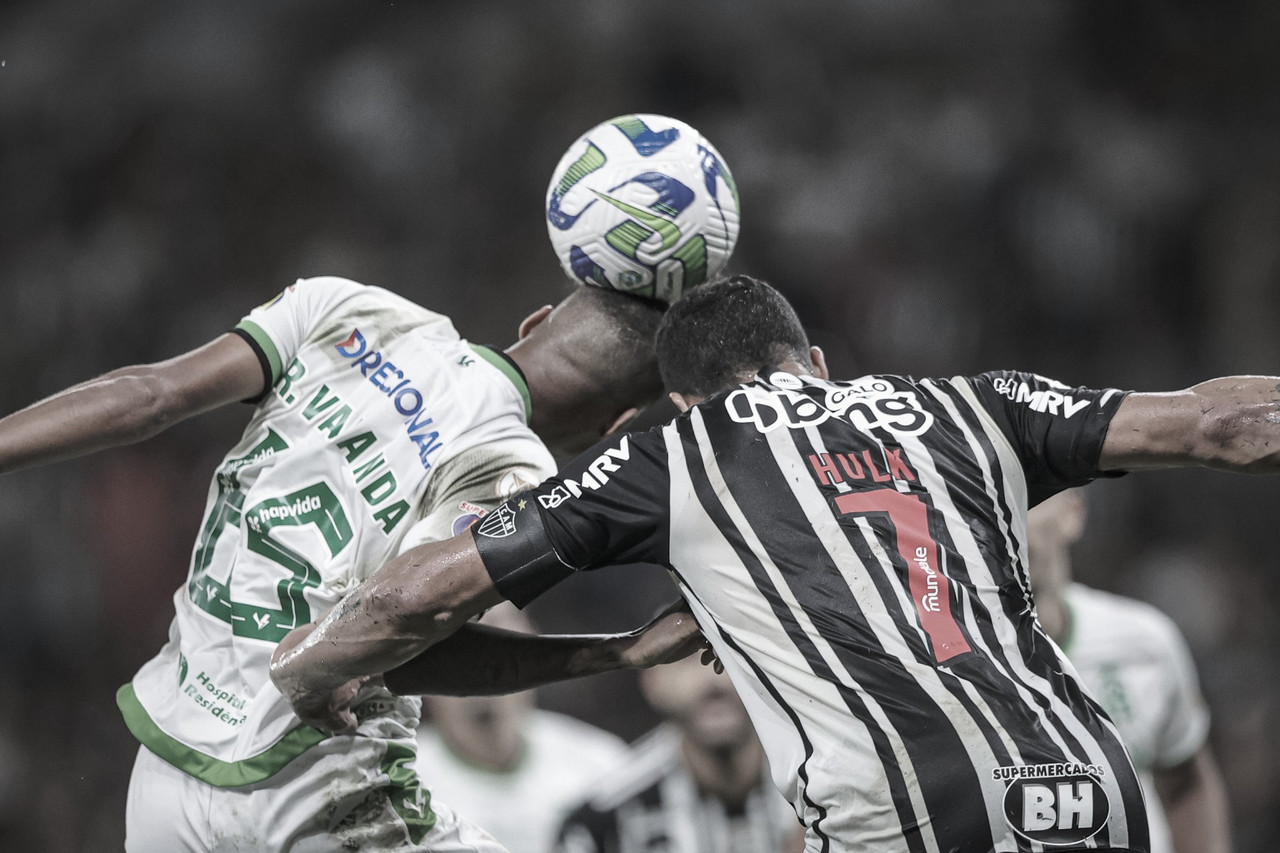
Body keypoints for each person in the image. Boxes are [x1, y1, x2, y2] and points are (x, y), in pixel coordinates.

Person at [272, 274, 1280, 852]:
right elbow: (1223, 423)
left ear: (680, 396)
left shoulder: (675, 451)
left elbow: (417, 589)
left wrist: (310, 672)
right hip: (1085, 780)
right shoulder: (971, 401)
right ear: (817, 363)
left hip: (908, 802)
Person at [0, 274, 708, 852]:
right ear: (619, 423)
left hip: (167, 777)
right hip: (324, 789)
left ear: (535, 321)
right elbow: (405, 632)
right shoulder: (511, 467)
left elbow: (150, 395)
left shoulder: (347, 308)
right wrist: (614, 653)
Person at [1025, 489, 1233, 853]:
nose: (1004, 516)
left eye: (1025, 497)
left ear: (1073, 512)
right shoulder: (927, 666)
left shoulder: (1143, 644)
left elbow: (1187, 784)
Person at [413, 603, 629, 853]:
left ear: (535, 646)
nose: (478, 650)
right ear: (418, 664)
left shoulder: (601, 767)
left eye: (495, 626)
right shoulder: (395, 787)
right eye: (456, 635)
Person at [553, 650, 800, 853]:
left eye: (730, 653)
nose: (714, 680)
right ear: (650, 681)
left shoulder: (822, 791)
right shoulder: (600, 825)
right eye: (686, 658)